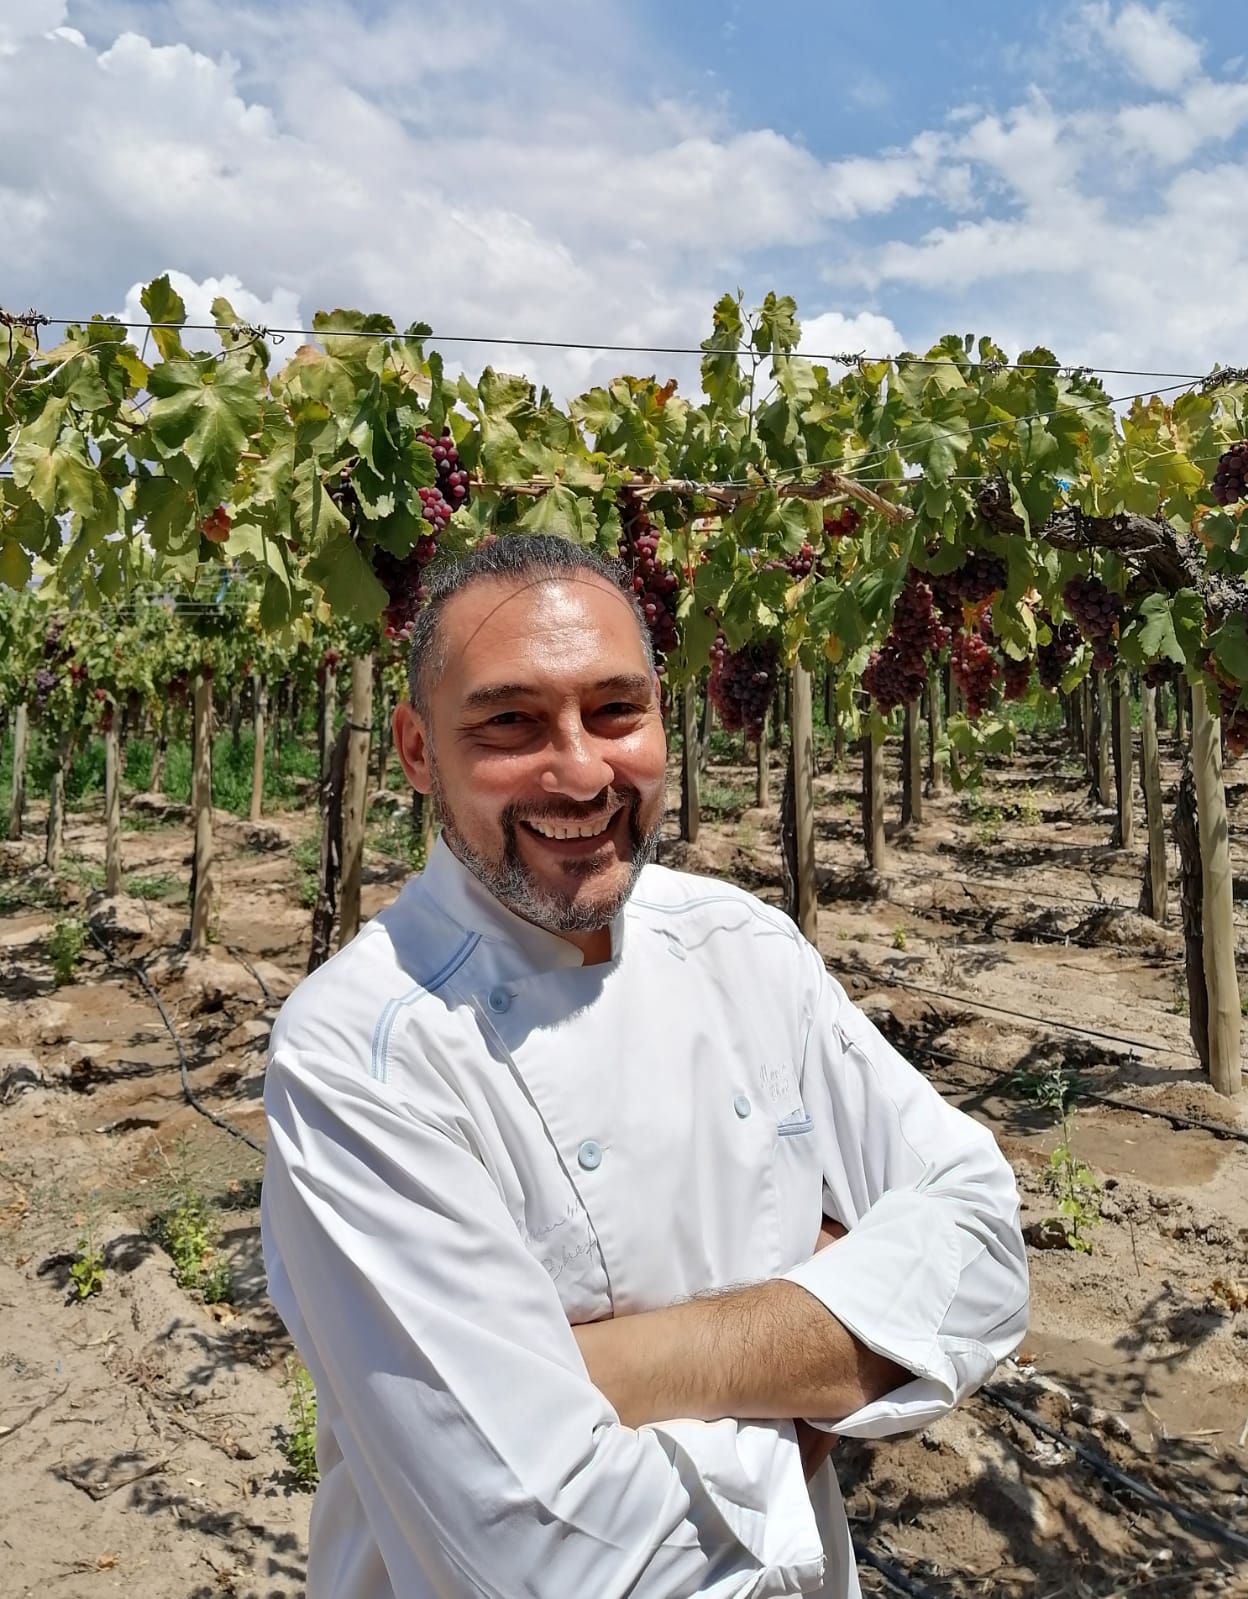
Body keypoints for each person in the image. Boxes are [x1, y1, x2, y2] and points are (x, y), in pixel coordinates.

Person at [261, 533, 1029, 1599]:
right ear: (416, 749)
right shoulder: (361, 1052)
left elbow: (984, 1241)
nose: (580, 770)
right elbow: (549, 1562)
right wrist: (840, 1330)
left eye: (616, 710)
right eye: (510, 722)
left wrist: (625, 1367)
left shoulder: (744, 946)